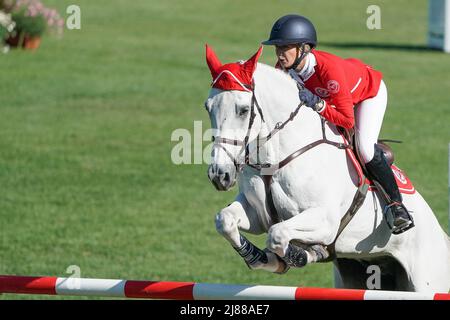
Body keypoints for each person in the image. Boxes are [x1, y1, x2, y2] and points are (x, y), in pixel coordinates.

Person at [262, 14, 414, 234]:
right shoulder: (284, 69)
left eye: (285, 47)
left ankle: (396, 207)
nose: (279, 53)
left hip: (368, 94)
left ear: (304, 48)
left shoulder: (328, 70)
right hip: (336, 98)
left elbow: (346, 119)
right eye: (277, 47)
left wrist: (319, 105)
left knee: (364, 148)